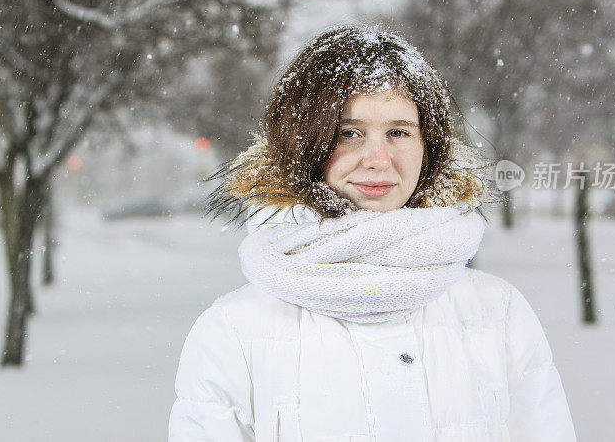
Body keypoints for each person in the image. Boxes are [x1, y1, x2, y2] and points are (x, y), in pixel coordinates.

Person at [168, 25, 576, 441]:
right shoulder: (234, 329)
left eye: (398, 132)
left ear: (428, 145)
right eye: (349, 133)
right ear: (303, 143)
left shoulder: (498, 312)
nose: (378, 159)